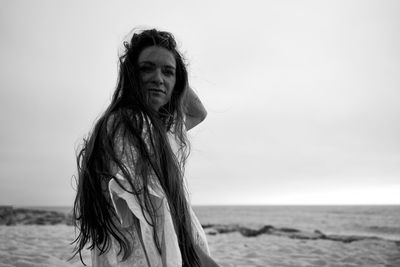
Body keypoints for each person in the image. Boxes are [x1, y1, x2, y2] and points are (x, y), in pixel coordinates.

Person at [72, 29, 219, 267]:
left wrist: (175, 75)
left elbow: (198, 112)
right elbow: (151, 208)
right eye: (147, 68)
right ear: (131, 75)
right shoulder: (130, 124)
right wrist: (198, 258)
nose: (158, 78)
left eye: (167, 72)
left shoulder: (161, 129)